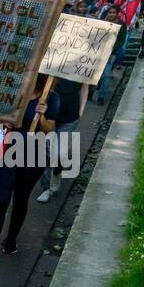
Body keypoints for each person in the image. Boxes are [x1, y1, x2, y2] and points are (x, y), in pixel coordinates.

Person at [0, 77, 58, 265]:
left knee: (20, 199)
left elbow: (49, 130)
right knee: (1, 199)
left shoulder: (50, 98)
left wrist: (42, 115)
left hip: (33, 156)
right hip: (7, 150)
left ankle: (11, 240)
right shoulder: (9, 91)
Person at [37, 71, 86, 203]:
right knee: (49, 152)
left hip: (69, 119)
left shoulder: (80, 68)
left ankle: (57, 172)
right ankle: (47, 188)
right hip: (50, 116)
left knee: (59, 154)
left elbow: (84, 87)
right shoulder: (53, 69)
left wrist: (81, 111)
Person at [94, 4, 127, 104]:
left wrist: (112, 49)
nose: (111, 14)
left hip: (111, 54)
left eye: (114, 13)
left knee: (106, 75)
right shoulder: (104, 22)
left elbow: (121, 40)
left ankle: (101, 96)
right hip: (99, 52)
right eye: (110, 12)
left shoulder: (121, 24)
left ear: (117, 14)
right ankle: (91, 92)